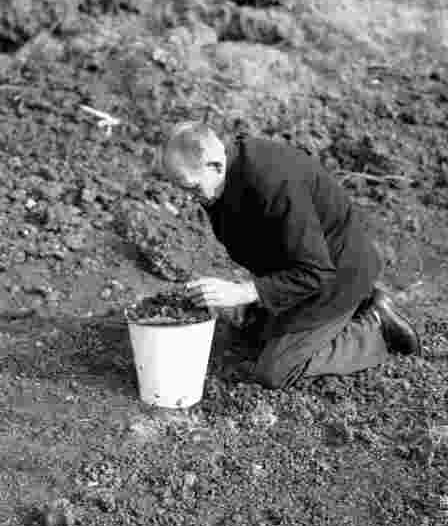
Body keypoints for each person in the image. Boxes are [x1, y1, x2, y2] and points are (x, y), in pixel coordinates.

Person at [158, 121, 421, 390]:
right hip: (300, 269)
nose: (188, 198)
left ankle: (376, 329)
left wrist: (246, 292)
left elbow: (315, 270)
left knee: (274, 370)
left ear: (215, 165)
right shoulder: (224, 176)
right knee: (252, 333)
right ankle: (362, 305)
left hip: (336, 274)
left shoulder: (273, 183)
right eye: (182, 188)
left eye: (191, 187)